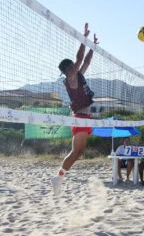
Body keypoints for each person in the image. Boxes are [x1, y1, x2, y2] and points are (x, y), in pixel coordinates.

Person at [51, 23, 99, 195]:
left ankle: (59, 177)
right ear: (68, 70)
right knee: (76, 151)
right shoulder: (71, 78)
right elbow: (79, 59)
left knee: (78, 152)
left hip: (86, 118)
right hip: (80, 117)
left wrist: (93, 47)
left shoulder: (78, 74)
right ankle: (58, 177)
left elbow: (85, 61)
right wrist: (84, 39)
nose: (75, 67)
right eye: (72, 66)